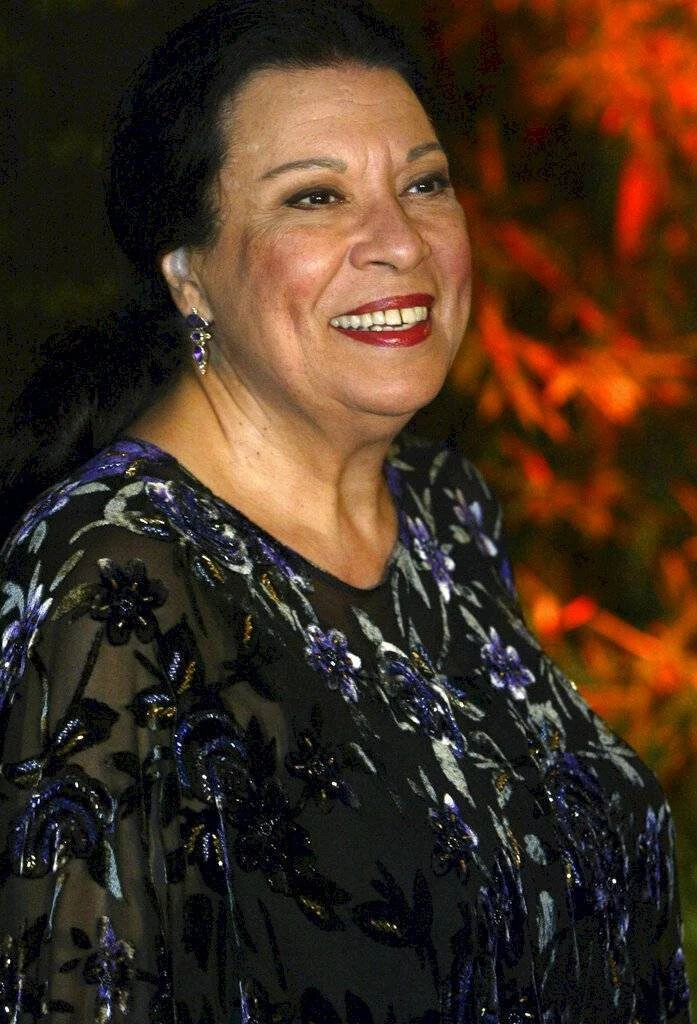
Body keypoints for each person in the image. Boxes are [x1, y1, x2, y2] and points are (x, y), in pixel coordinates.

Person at [0, 1, 691, 1020]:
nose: (399, 242)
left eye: (424, 183)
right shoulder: (113, 580)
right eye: (315, 197)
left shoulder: (446, 511)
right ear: (188, 276)